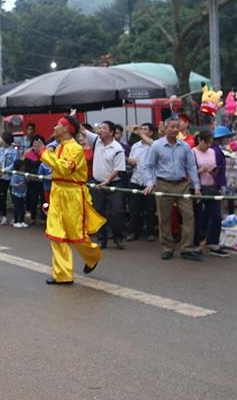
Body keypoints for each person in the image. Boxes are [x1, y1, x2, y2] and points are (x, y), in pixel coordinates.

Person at [36, 116, 106, 285]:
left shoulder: (76, 150)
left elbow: (65, 169)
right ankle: (63, 274)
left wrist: (44, 153)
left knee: (76, 235)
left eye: (58, 125)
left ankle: (93, 256)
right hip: (57, 192)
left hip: (73, 194)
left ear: (66, 129)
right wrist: (46, 153)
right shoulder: (58, 148)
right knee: (55, 234)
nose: (54, 127)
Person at [142, 117, 202, 261]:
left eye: (177, 127)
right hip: (163, 184)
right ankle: (168, 246)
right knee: (164, 217)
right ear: (166, 128)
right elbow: (148, 166)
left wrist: (197, 186)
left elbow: (191, 167)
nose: (175, 130)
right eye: (172, 127)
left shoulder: (185, 146)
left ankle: (186, 248)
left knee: (189, 215)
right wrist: (150, 182)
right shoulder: (157, 145)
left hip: (182, 184)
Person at [85, 121, 126, 249]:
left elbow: (117, 169)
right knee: (99, 211)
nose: (100, 130)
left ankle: (118, 238)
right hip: (97, 184)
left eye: (103, 128)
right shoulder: (96, 140)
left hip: (113, 184)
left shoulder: (117, 148)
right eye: (99, 127)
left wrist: (107, 180)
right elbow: (82, 130)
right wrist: (71, 117)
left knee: (117, 211)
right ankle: (102, 239)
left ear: (111, 132)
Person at [192, 130, 229, 258]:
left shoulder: (212, 152)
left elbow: (215, 169)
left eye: (210, 143)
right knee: (199, 217)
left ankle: (213, 243)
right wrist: (199, 171)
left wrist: (214, 172)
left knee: (216, 216)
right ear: (200, 141)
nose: (208, 146)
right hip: (199, 187)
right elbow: (190, 172)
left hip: (212, 186)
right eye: (207, 143)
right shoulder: (193, 152)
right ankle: (196, 242)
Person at [127, 123, 157, 241]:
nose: (141, 131)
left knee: (150, 209)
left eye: (145, 129)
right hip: (136, 179)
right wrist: (130, 161)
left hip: (150, 181)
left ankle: (150, 232)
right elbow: (130, 159)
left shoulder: (154, 145)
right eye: (141, 129)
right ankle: (134, 232)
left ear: (150, 133)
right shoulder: (135, 146)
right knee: (134, 208)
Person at [0, 131, 18, 225]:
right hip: (1, 176)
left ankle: (15, 217)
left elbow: (14, 164)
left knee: (13, 196)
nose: (1, 141)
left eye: (2, 139)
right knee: (1, 196)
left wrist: (4, 169)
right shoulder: (0, 150)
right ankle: (2, 215)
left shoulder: (14, 151)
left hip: (10, 176)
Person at [10, 160, 28, 228]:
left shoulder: (23, 174)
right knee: (16, 208)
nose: (24, 166)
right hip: (16, 194)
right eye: (22, 165)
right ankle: (16, 221)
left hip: (22, 193)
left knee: (22, 208)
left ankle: (22, 221)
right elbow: (12, 184)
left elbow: (26, 181)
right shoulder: (15, 174)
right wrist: (18, 185)